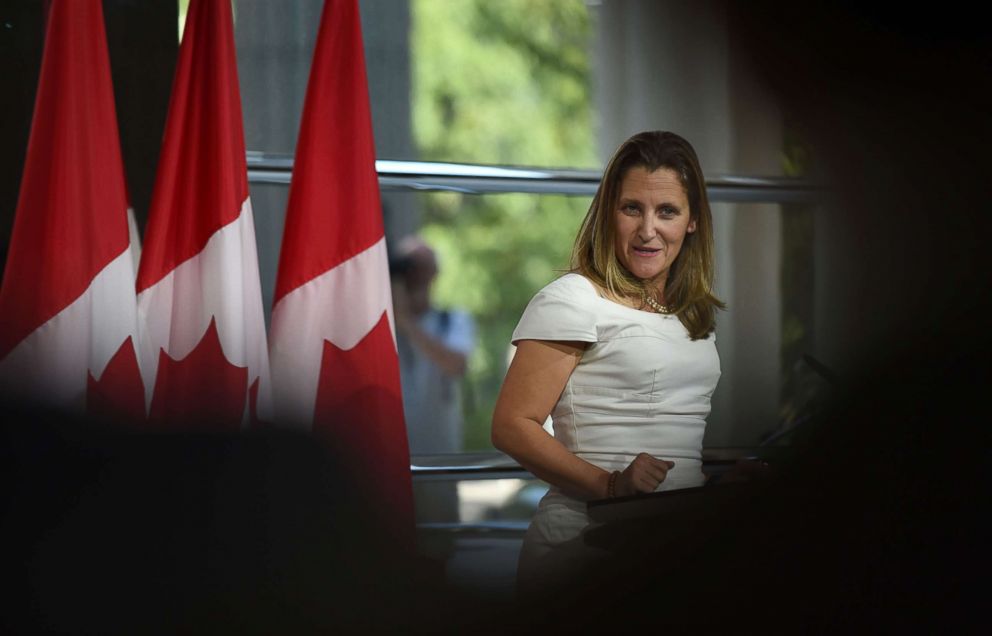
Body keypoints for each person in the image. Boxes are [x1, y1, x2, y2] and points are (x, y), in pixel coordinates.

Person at [491, 131, 725, 591]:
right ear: (608, 212)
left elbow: (672, 433)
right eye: (632, 208)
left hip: (675, 543)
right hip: (587, 544)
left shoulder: (690, 310)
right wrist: (611, 486)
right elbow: (511, 425)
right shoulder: (572, 298)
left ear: (693, 221)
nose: (647, 230)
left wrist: (721, 481)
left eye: (667, 212)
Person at [391, 235, 475, 457]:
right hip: (390, 454)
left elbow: (456, 365)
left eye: (423, 267)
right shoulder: (379, 326)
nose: (416, 275)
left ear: (435, 273)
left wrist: (407, 323)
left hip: (440, 453)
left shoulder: (452, 320)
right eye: (408, 267)